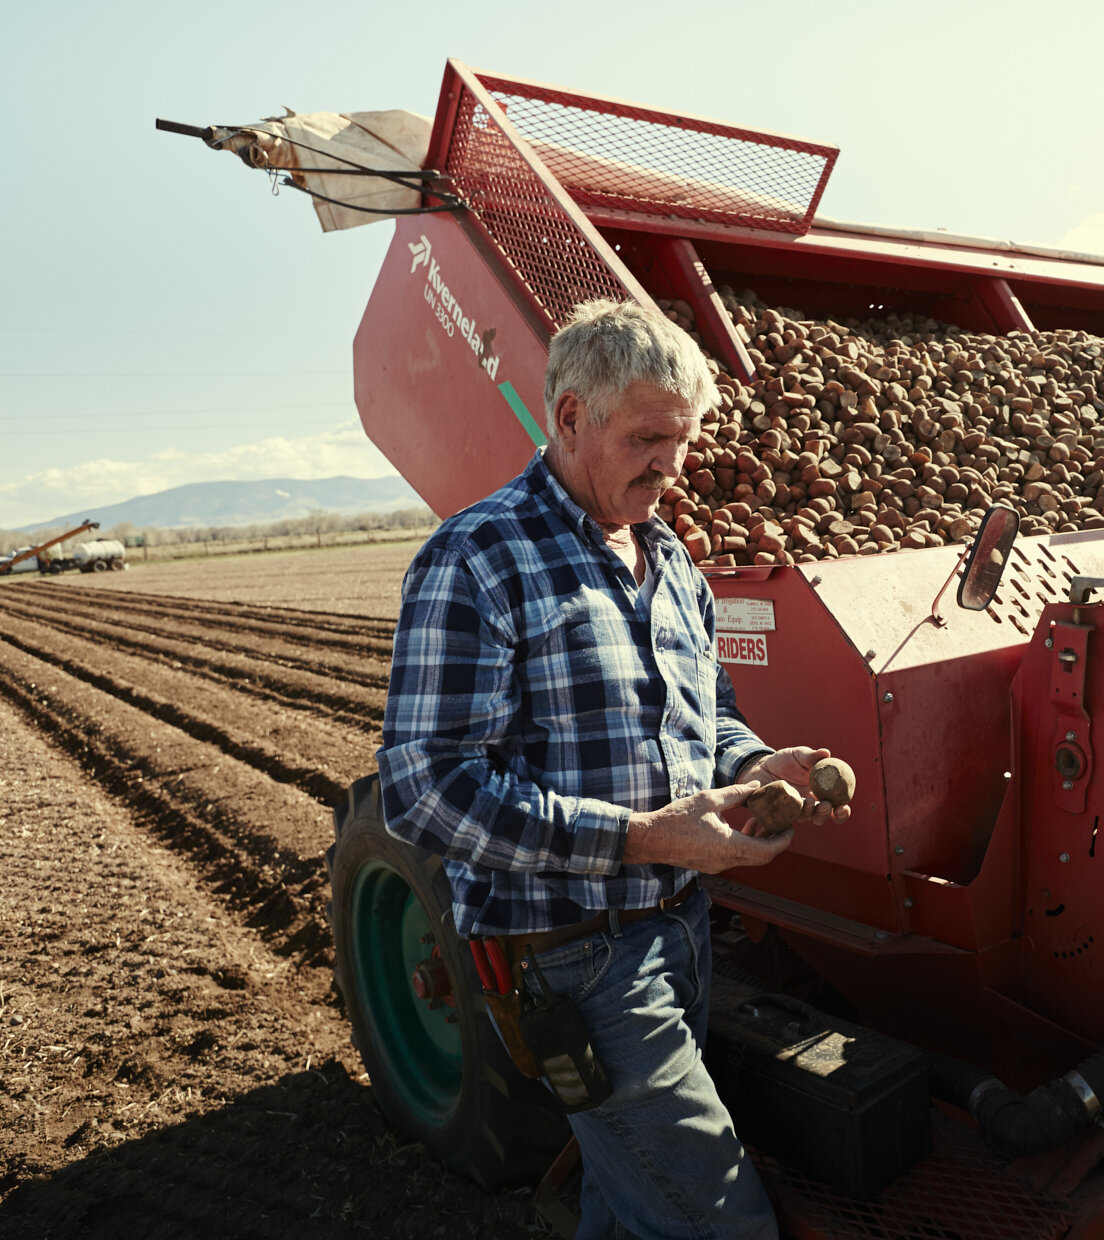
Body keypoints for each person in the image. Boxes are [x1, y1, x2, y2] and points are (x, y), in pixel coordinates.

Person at [378, 298, 847, 1239]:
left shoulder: (671, 561)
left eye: (682, 439)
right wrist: (637, 837)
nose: (671, 463)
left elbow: (707, 719)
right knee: (718, 1219)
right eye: (646, 437)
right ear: (569, 417)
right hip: (573, 955)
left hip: (682, 932)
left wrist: (762, 767)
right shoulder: (480, 556)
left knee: (629, 1197)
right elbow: (423, 788)